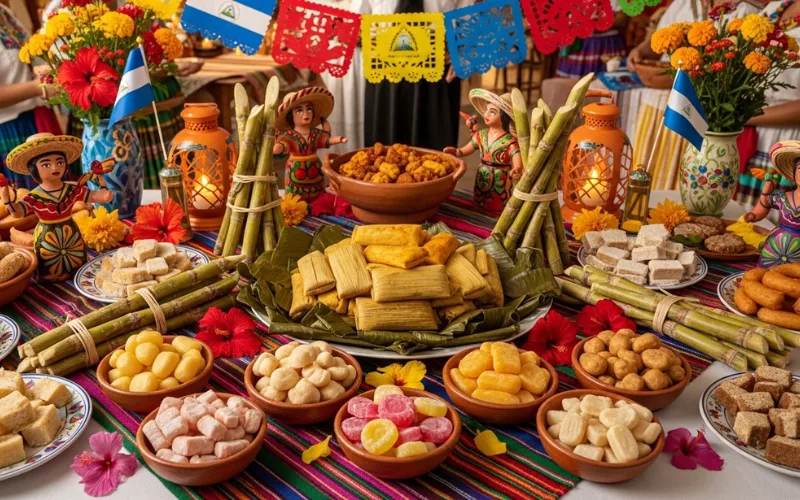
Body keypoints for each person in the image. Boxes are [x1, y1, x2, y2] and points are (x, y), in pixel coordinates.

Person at [355, 0, 474, 151]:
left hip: (438, 72)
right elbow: (358, 17)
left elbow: (469, 17)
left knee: (436, 154)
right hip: (384, 71)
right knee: (383, 153)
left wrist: (464, 55)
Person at [1, 133, 112, 282]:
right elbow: (17, 213)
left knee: (78, 263)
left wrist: (103, 187)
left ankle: (78, 272)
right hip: (47, 238)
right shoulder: (34, 196)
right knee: (49, 264)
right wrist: (7, 200)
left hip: (72, 235)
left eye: (60, 162)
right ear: (34, 169)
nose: (55, 167)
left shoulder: (72, 188)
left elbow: (97, 196)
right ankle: (49, 276)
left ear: (65, 165)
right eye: (46, 164)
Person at [736, 0, 800, 214]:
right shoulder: (777, 7)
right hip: (752, 141)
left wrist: (747, 114)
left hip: (788, 147)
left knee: (778, 234)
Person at [0, 1, 64, 189]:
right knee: (24, 209)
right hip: (8, 131)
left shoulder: (4, 12)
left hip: (36, 120)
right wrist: (38, 87)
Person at [444, 90, 521, 213]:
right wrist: (456, 152)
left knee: (499, 202)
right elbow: (464, 150)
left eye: (492, 112)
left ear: (504, 117)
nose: (486, 114)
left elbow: (516, 160)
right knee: (480, 200)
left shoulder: (509, 141)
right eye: (486, 110)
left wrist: (516, 169)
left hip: (501, 176)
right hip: (482, 173)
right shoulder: (481, 135)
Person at [627, 0, 759, 71]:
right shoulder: (683, 3)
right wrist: (641, 50)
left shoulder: (747, 9)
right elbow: (660, 37)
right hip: (668, 90)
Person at [273, 87, 348, 201]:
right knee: (295, 197)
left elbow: (325, 140)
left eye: (309, 109)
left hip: (315, 169)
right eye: (299, 110)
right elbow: (283, 146)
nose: (306, 113)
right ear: (290, 116)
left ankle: (317, 204)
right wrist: (277, 147)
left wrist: (339, 139)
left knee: (318, 196)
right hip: (295, 171)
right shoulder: (289, 136)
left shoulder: (315, 133)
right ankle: (297, 205)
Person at [744, 141, 800, 267]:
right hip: (776, 246)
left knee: (793, 282)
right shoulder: (783, 197)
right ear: (794, 173)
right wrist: (754, 215)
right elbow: (765, 204)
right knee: (765, 274)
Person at [556, 0, 628, 78]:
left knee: (608, 84)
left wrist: (586, 24)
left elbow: (622, 20)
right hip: (576, 46)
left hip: (607, 45)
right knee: (571, 86)